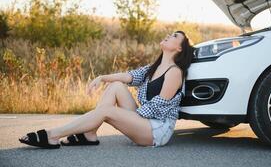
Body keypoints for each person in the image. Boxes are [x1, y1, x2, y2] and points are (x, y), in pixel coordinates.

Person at [19, 30, 194, 148]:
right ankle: (89, 134)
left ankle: (52, 135)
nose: (168, 35)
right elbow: (128, 77)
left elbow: (157, 106)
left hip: (157, 131)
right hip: (144, 121)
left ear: (179, 48)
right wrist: (102, 78)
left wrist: (125, 116)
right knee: (116, 86)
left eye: (173, 36)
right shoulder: (153, 67)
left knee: (106, 111)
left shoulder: (175, 72)